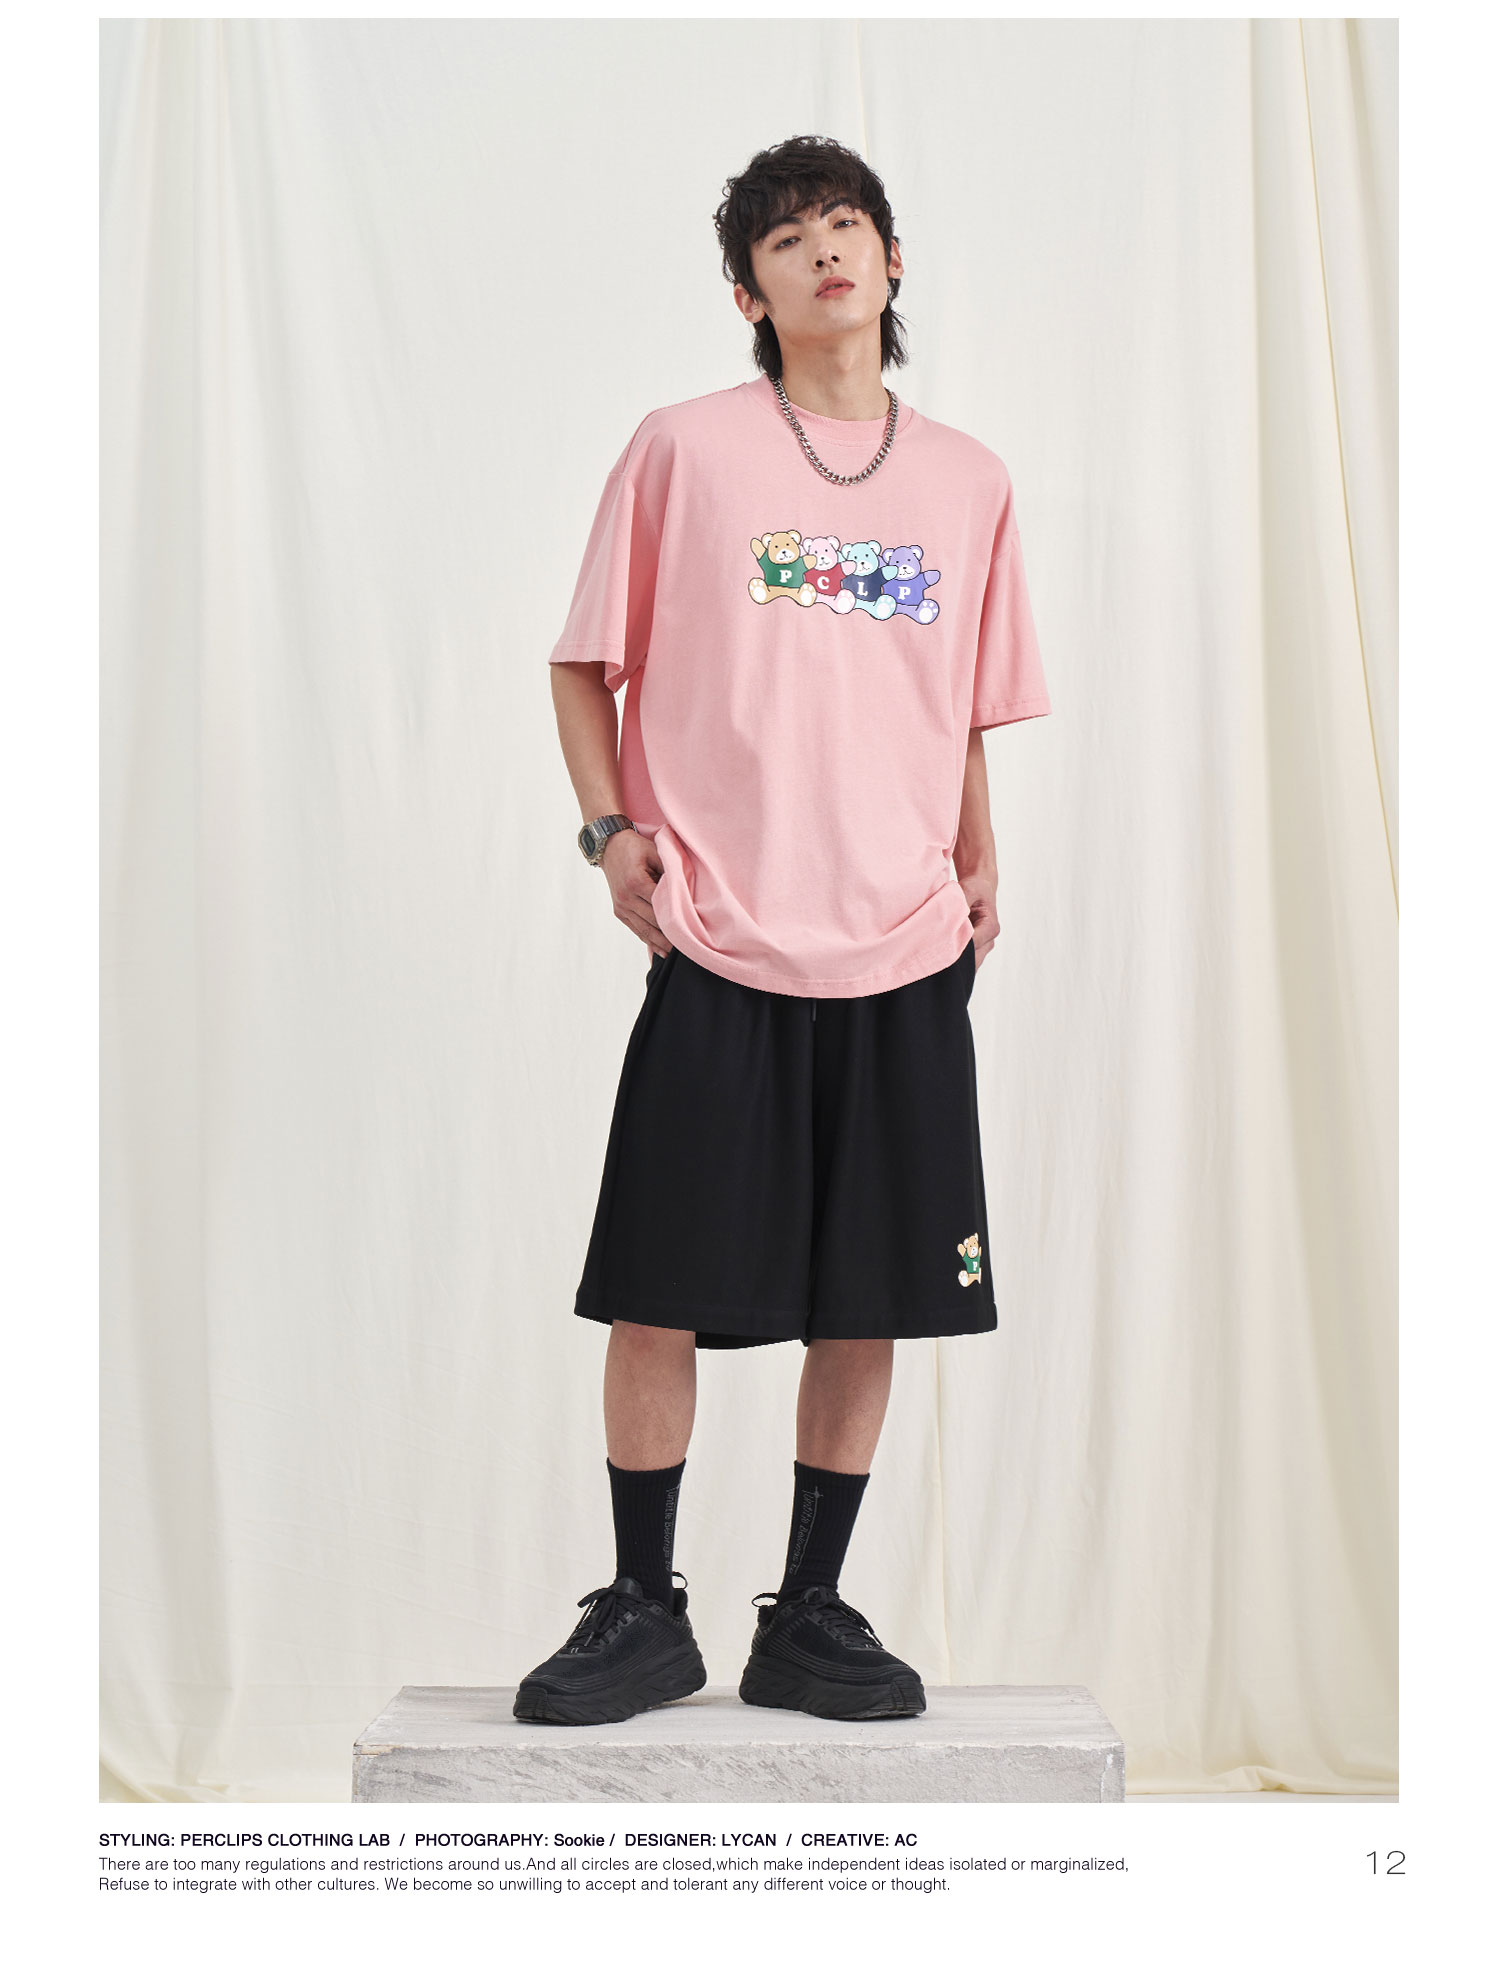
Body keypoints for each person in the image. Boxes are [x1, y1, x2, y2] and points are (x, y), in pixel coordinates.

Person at [515, 135, 1051, 1727]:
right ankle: (643, 1606)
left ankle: (808, 1614)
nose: (825, 250)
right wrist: (610, 834)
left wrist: (979, 859)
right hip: (724, 933)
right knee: (657, 1286)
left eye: (849, 225)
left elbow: (960, 707)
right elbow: (581, 662)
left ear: (892, 263)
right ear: (747, 290)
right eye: (789, 237)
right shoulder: (682, 450)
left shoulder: (970, 482)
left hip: (903, 937)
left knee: (868, 1291)